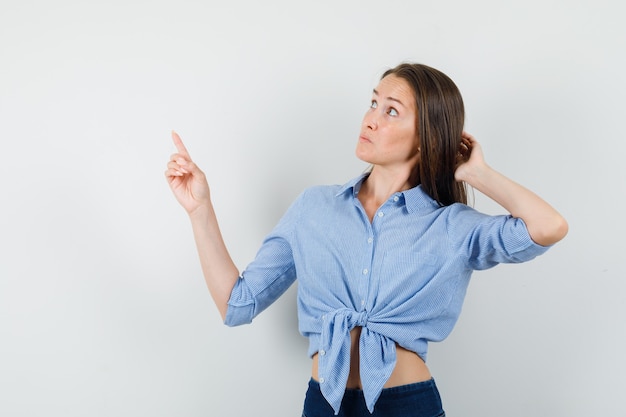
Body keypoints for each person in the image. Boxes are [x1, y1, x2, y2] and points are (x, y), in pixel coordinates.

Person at [164, 63, 568, 417]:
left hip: (409, 405)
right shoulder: (314, 207)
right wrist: (200, 210)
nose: (371, 119)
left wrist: (477, 174)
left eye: (391, 111)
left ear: (426, 137)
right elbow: (237, 305)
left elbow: (548, 226)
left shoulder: (453, 226)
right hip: (323, 403)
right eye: (373, 103)